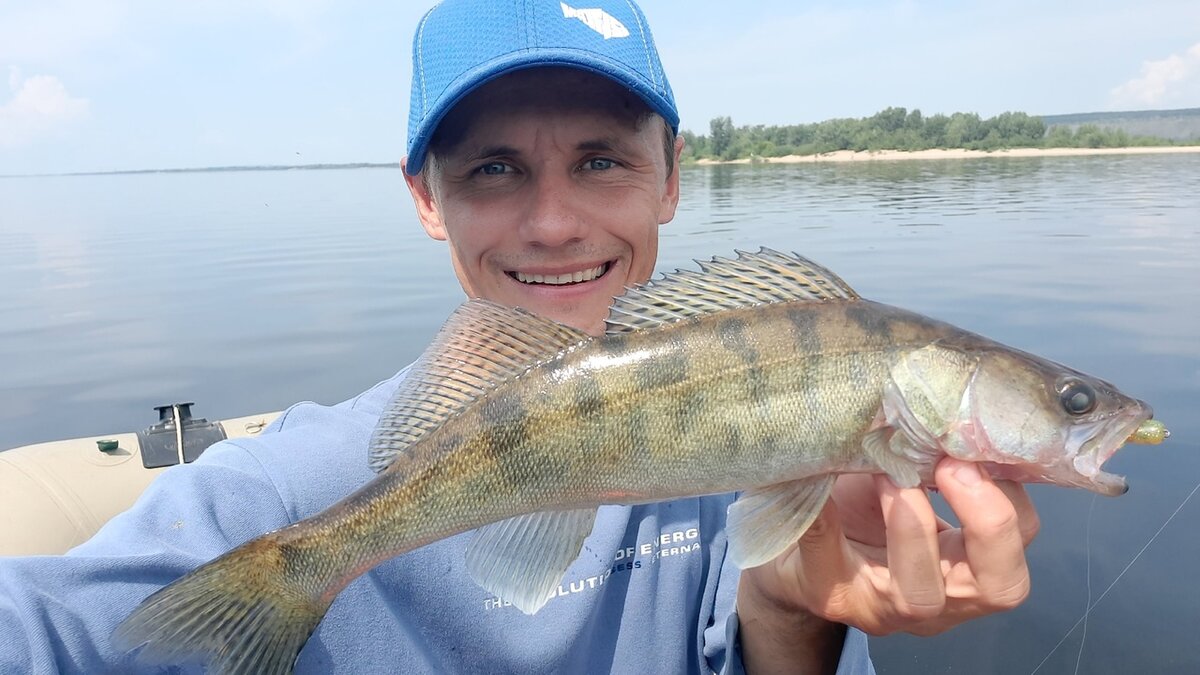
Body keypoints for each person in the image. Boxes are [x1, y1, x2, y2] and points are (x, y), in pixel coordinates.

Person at [0, 0, 1039, 672]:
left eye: (600, 161)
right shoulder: (282, 490)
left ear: (672, 177)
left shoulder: (774, 476)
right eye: (493, 169)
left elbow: (787, 633)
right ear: (425, 198)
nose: (552, 223)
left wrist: (794, 615)